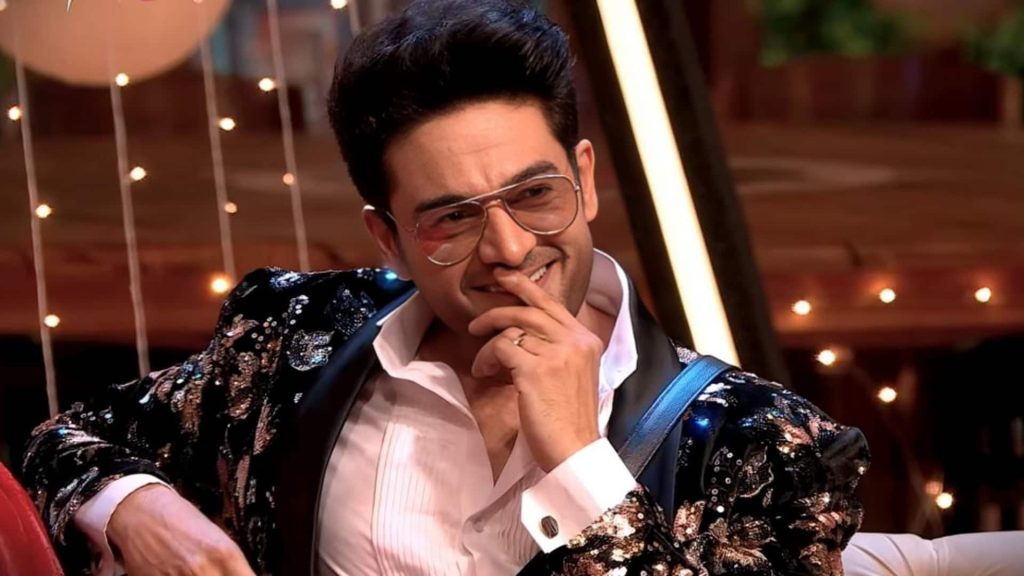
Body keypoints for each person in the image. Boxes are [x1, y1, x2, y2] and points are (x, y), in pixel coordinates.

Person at [21, 1, 870, 574]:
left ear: (584, 177)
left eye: (535, 195)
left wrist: (582, 465)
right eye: (453, 218)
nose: (509, 247)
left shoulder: (770, 448)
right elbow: (65, 443)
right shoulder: (295, 336)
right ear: (387, 236)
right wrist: (140, 510)